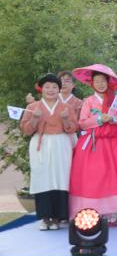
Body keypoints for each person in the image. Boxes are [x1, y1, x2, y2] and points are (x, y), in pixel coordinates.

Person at [69, 64, 117, 224]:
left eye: (103, 81)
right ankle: (95, 211)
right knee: (95, 177)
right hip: (94, 143)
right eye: (97, 81)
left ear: (108, 82)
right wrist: (98, 119)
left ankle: (113, 212)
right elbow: (82, 123)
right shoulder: (89, 101)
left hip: (114, 143)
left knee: (114, 177)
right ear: (92, 83)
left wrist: (112, 118)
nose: (100, 84)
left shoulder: (116, 99)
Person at [21, 74, 78, 230]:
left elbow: (73, 128)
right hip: (41, 143)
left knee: (61, 178)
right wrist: (34, 118)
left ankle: (58, 218)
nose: (51, 90)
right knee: (42, 178)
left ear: (59, 89)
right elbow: (26, 130)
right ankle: (45, 218)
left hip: (61, 143)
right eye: (47, 87)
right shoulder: (33, 107)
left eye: (54, 87)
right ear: (41, 89)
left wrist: (65, 119)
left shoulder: (66, 107)